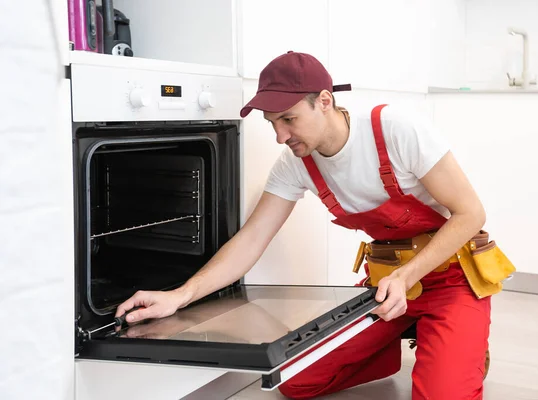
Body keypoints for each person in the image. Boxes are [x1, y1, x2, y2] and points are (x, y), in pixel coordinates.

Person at [115, 51, 514, 399]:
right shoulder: (295, 163)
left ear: (324, 101)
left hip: (451, 279)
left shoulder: (394, 129)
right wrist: (180, 296)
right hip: (386, 282)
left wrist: (408, 275)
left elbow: (470, 213)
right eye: (273, 123)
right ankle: (408, 340)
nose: (280, 136)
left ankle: (458, 349)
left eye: (288, 119)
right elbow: (252, 239)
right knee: (295, 380)